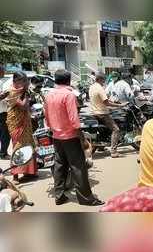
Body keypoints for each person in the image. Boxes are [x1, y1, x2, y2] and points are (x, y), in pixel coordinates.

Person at [44, 70, 104, 206]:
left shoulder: (49, 95)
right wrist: (81, 137)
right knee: (78, 167)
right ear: (68, 81)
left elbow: (46, 117)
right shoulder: (68, 95)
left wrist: (53, 129)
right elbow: (74, 119)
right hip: (70, 136)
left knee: (60, 166)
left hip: (56, 136)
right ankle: (86, 198)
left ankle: (59, 195)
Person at [5, 72, 38, 184]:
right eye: (23, 81)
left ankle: (29, 172)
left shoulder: (22, 91)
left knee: (28, 144)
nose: (26, 83)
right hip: (16, 123)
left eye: (26, 81)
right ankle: (15, 175)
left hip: (25, 121)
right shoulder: (12, 92)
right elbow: (24, 106)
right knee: (18, 146)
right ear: (16, 81)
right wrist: (26, 94)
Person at [89, 72, 126, 158]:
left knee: (105, 128)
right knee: (116, 129)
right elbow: (106, 102)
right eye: (104, 80)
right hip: (102, 113)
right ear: (100, 79)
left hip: (94, 112)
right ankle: (113, 151)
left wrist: (112, 102)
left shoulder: (92, 87)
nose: (104, 82)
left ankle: (101, 147)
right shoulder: (100, 88)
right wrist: (119, 105)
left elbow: (102, 99)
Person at [0, 65, 11, 160]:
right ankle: (3, 153)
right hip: (2, 113)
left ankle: (3, 151)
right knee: (6, 133)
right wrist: (6, 94)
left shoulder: (2, 82)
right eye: (3, 71)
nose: (4, 73)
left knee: (4, 133)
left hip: (4, 111)